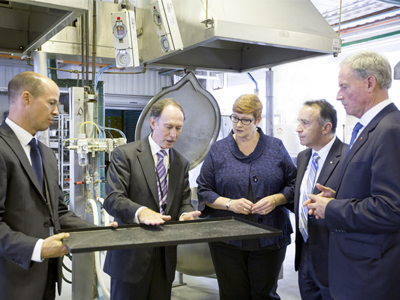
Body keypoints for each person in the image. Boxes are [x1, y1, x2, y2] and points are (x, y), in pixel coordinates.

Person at [0, 71, 105, 300]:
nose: (56, 111)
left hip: (46, 278)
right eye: (51, 103)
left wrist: (102, 232)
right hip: (11, 281)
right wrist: (37, 249)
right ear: (26, 98)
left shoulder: (45, 153)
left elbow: (56, 210)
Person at [305, 51, 400, 300]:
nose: (338, 95)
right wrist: (341, 196)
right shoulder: (369, 128)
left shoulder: (390, 130)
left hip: (370, 278)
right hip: (355, 271)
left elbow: (392, 208)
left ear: (370, 83)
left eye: (344, 86)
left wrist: (333, 208)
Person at [197, 94, 296, 300]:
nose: (238, 124)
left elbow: (295, 184)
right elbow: (204, 190)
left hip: (270, 236)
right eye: (234, 118)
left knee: (265, 294)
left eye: (245, 120)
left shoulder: (275, 147)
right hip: (227, 240)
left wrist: (275, 199)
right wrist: (230, 204)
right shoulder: (219, 150)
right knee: (232, 294)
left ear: (258, 120)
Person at [103, 98, 201, 300]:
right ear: (153, 122)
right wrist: (140, 212)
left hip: (164, 258)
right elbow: (113, 198)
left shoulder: (180, 162)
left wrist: (184, 215)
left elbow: (183, 200)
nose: (173, 134)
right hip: (130, 257)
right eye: (168, 127)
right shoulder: (126, 155)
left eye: (178, 128)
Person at [294, 100, 347, 300]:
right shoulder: (303, 157)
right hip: (305, 253)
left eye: (305, 123)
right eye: (298, 122)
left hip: (333, 257)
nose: (298, 129)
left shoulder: (348, 157)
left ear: (326, 127)